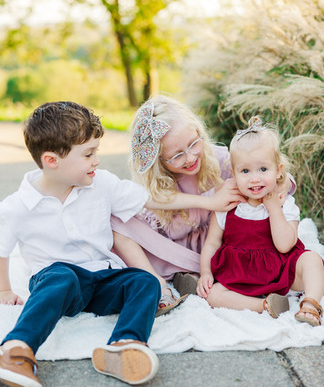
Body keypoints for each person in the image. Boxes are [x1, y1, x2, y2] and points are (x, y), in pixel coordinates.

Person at [0, 101, 237, 387]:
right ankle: (16, 350)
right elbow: (2, 248)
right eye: (88, 154)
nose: (96, 160)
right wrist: (4, 289)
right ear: (52, 161)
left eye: (95, 152)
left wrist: (208, 202)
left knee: (144, 281)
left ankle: (125, 344)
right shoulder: (17, 206)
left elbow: (153, 199)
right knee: (61, 276)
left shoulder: (102, 183)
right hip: (57, 282)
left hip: (103, 277)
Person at [111, 96, 294, 309]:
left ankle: (196, 275)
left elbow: (276, 176)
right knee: (117, 221)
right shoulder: (156, 183)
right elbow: (146, 201)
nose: (189, 158)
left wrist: (272, 186)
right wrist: (210, 201)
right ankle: (158, 283)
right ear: (158, 160)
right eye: (176, 155)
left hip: (215, 248)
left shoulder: (216, 158)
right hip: (172, 250)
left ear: (199, 132)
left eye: (193, 144)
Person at [197, 117, 324, 327]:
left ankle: (310, 304)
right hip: (241, 274)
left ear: (279, 170)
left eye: (263, 169)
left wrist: (273, 207)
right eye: (245, 171)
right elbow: (212, 243)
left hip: (282, 270)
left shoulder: (285, 204)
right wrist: (205, 274)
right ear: (233, 174)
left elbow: (285, 244)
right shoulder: (229, 205)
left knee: (312, 260)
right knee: (213, 295)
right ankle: (265, 305)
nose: (255, 178)